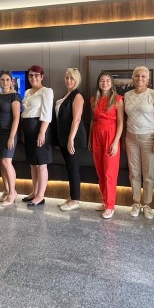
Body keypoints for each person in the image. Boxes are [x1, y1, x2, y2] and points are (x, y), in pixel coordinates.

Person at [123, 66, 154, 219]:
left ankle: (147, 204)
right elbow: (125, 118)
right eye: (137, 76)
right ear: (132, 78)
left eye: (143, 76)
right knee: (134, 173)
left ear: (148, 79)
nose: (139, 79)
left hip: (149, 139)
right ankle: (136, 203)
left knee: (148, 174)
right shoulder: (127, 95)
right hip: (131, 138)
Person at [89, 71, 124, 220]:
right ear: (98, 83)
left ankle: (110, 206)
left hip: (111, 136)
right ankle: (105, 201)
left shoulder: (118, 99)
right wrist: (90, 139)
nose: (105, 83)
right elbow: (93, 120)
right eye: (102, 80)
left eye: (108, 80)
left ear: (111, 83)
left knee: (110, 173)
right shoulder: (93, 100)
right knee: (100, 172)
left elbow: (121, 122)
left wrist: (116, 142)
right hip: (97, 136)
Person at [55, 68, 88, 211]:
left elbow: (77, 119)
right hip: (65, 138)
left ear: (77, 80)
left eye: (72, 78)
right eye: (67, 77)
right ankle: (72, 197)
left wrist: (71, 139)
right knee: (70, 168)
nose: (69, 80)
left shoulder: (77, 96)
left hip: (74, 139)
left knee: (74, 169)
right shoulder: (66, 95)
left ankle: (75, 200)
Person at [21, 64, 54, 206]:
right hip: (28, 130)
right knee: (33, 164)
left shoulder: (47, 91)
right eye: (30, 75)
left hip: (39, 129)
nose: (33, 78)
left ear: (42, 76)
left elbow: (47, 113)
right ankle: (34, 192)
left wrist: (42, 132)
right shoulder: (27, 92)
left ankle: (41, 195)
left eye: (36, 75)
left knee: (41, 164)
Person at [0, 71, 21, 206]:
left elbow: (16, 119)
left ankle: (12, 192)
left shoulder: (15, 96)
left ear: (12, 81)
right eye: (2, 80)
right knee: (1, 162)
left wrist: (11, 137)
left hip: (9, 133)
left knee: (6, 162)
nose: (5, 82)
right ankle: (6, 190)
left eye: (7, 80)